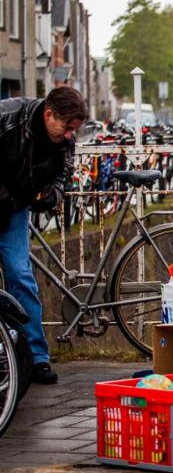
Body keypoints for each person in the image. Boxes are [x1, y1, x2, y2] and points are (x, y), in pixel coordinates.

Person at [0, 87, 88, 384]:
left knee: (20, 275)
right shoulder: (8, 116)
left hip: (15, 207)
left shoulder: (64, 139)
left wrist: (54, 194)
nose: (68, 135)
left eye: (74, 130)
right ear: (49, 115)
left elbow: (65, 172)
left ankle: (35, 357)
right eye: (66, 127)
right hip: (8, 199)